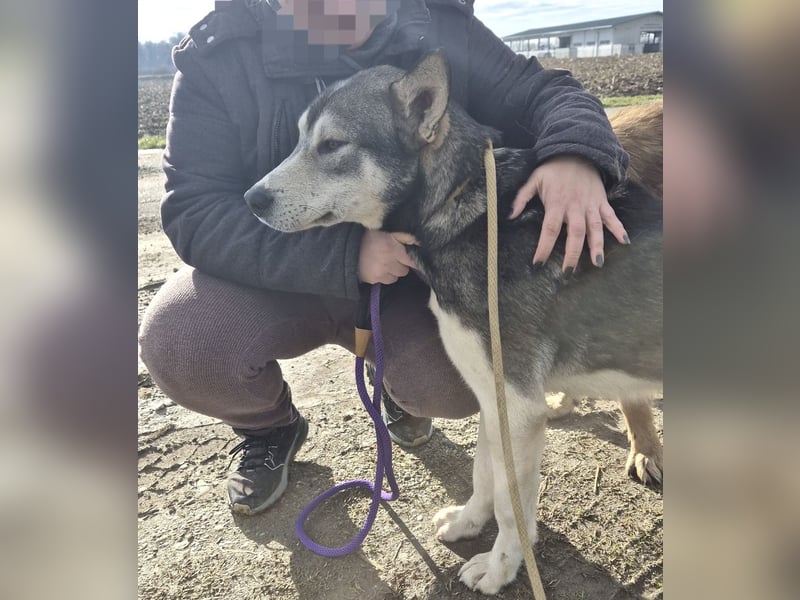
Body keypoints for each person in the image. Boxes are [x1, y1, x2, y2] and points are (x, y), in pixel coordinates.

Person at [138, 0, 629, 516]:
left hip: (406, 284)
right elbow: (195, 210)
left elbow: (545, 91)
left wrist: (576, 154)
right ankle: (270, 426)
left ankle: (394, 378)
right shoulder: (219, 56)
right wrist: (346, 252)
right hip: (273, 277)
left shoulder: (437, 25)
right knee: (183, 344)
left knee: (459, 379)